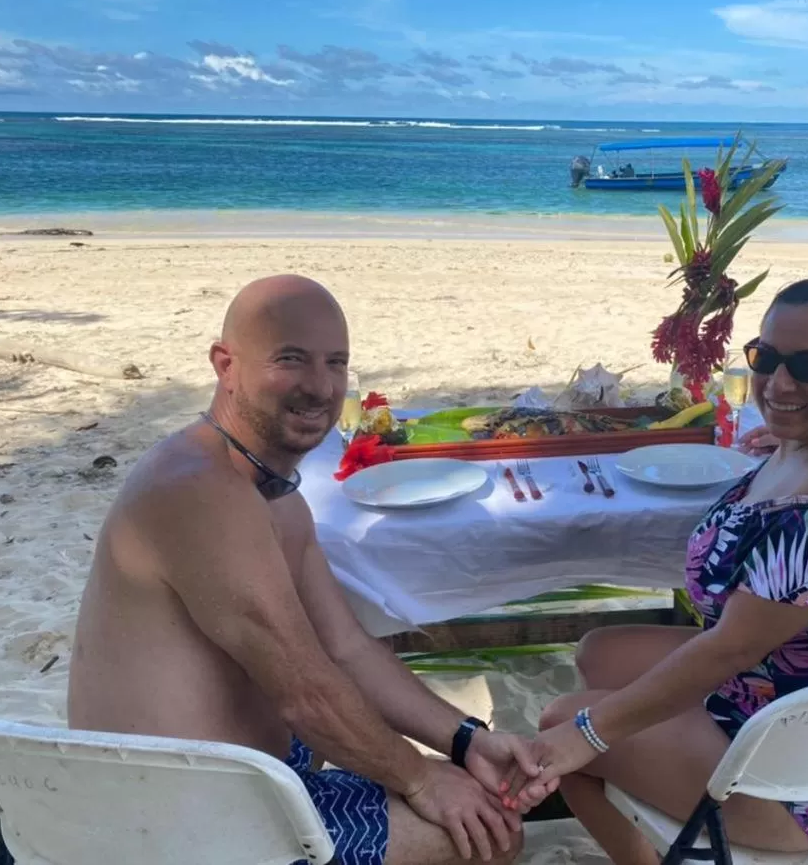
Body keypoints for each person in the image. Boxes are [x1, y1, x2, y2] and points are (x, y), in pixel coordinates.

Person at [66, 275, 535, 865]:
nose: (319, 387)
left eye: (336, 363)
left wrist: (467, 741)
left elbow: (347, 650)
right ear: (225, 365)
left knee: (473, 802)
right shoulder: (197, 489)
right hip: (171, 821)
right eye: (291, 359)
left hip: (239, 785)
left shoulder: (275, 495)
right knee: (492, 835)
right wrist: (420, 780)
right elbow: (307, 694)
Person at [502, 268, 808, 861]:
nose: (779, 382)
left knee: (563, 723)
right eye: (765, 359)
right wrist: (789, 431)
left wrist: (585, 737)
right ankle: (653, 785)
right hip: (804, 701)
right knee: (600, 650)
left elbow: (725, 651)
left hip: (802, 787)